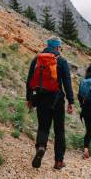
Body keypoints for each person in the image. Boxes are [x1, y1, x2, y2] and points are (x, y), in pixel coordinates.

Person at [26, 36, 74, 170]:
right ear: (58, 47)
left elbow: (29, 81)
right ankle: (59, 161)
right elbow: (67, 84)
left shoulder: (37, 59)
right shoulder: (62, 61)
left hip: (41, 99)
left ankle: (41, 147)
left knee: (43, 127)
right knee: (59, 130)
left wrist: (29, 99)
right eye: (60, 47)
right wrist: (71, 101)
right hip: (57, 100)